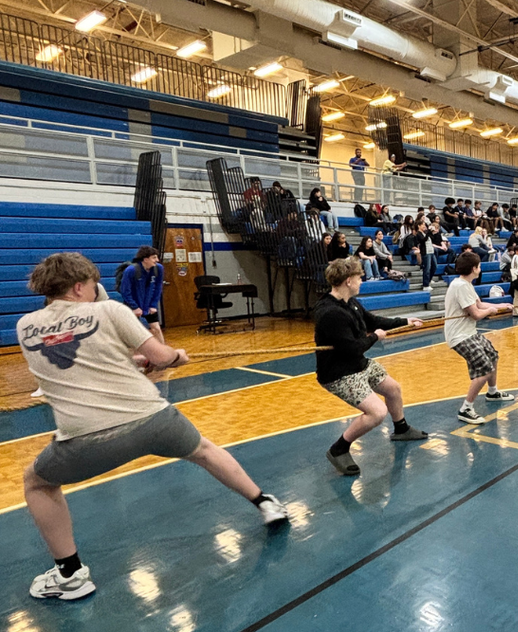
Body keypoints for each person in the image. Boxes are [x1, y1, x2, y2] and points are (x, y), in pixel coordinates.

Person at [17, 253, 288, 600]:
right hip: (153, 421)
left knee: (37, 483)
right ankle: (265, 503)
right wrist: (177, 356)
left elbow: (77, 359)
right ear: (80, 286)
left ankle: (70, 575)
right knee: (204, 451)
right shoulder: (110, 310)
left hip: (86, 440)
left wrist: (134, 361)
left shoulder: (26, 326)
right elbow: (161, 357)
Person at [315, 258, 427, 477]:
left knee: (393, 389)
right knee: (376, 413)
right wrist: (376, 337)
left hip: (358, 364)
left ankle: (401, 428)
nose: (361, 281)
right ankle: (339, 449)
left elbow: (372, 320)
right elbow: (353, 348)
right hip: (339, 373)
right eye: (359, 278)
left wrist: (405, 321)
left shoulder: (351, 303)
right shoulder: (331, 313)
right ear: (348, 281)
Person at [444, 251, 514, 424]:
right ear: (474, 268)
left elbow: (479, 304)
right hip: (459, 336)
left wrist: (502, 305)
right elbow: (476, 313)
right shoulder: (460, 286)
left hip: (469, 332)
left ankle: (492, 392)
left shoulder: (465, 284)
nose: (480, 269)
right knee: (485, 368)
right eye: (479, 266)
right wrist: (490, 311)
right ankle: (466, 408)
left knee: (492, 355)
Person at [119, 245, 165, 343]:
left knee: (156, 328)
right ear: (145, 259)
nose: (157, 260)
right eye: (154, 257)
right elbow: (125, 291)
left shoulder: (158, 269)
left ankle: (165, 354)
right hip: (133, 303)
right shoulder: (131, 270)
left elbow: (158, 288)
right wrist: (134, 307)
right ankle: (134, 355)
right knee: (133, 332)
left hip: (148, 302)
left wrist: (153, 305)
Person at [411, 220, 436, 290]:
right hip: (425, 252)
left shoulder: (425, 233)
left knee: (434, 266)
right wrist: (428, 232)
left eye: (424, 224)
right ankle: (425, 285)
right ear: (419, 226)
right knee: (427, 268)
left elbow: (432, 239)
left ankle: (429, 280)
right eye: (423, 224)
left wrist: (431, 232)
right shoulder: (418, 234)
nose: (424, 226)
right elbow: (423, 240)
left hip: (431, 251)